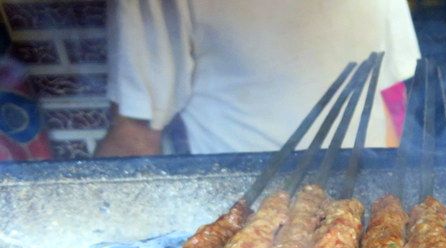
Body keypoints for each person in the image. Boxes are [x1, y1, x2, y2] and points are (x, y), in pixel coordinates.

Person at [96, 0, 420, 157]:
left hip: (373, 213)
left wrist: (394, 181)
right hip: (250, 228)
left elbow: (392, 87)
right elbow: (135, 135)